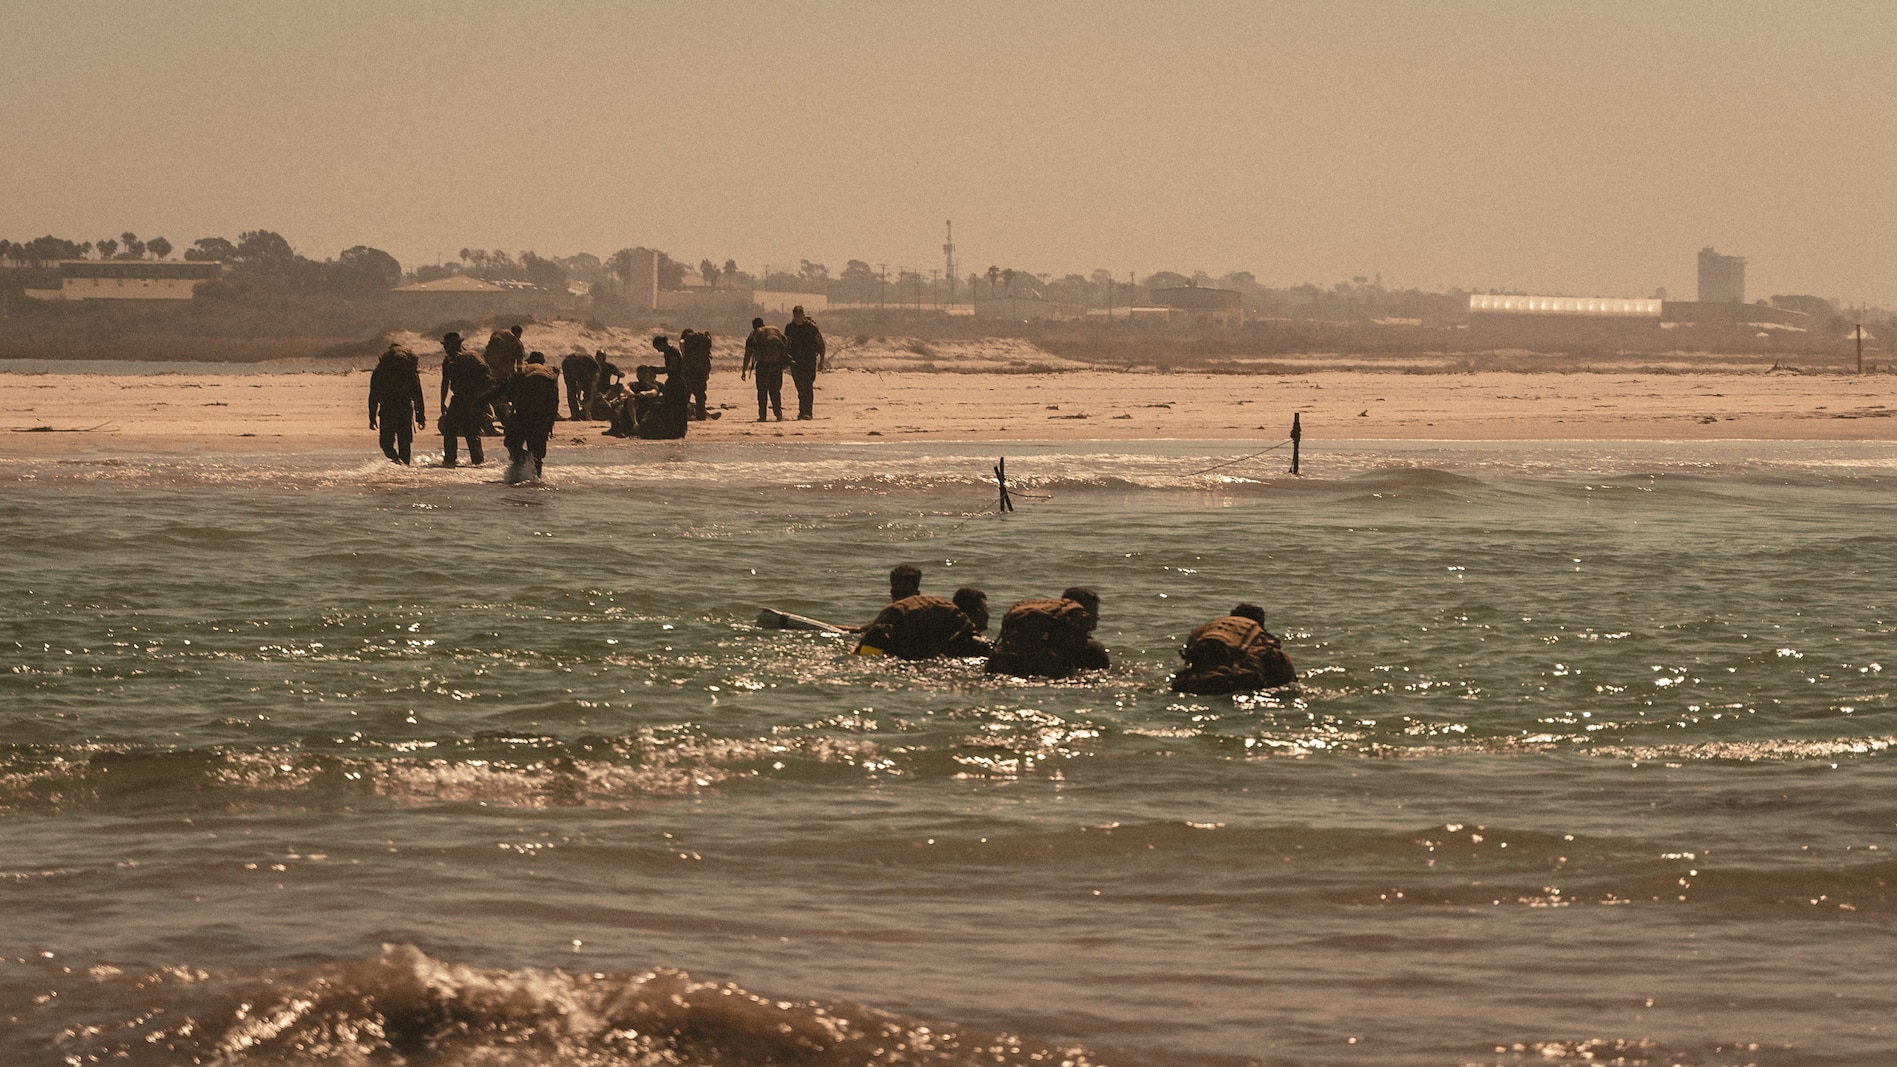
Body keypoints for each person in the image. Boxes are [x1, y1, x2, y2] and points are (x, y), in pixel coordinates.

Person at [1169, 603, 1298, 695]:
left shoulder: (1210, 628)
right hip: (1235, 686)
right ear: (1261, 624)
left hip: (1192, 684)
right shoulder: (1259, 636)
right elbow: (1287, 675)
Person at [984, 586, 1110, 679]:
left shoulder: (1029, 635)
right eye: (1095, 611)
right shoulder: (1091, 647)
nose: (1098, 616)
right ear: (1083, 613)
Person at [854, 586, 991, 660]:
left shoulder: (944, 619)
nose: (988, 615)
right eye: (986, 610)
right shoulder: (962, 631)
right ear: (978, 611)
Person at [483, 351, 561, 478]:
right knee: (537, 455)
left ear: (529, 362)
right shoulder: (551, 374)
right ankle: (535, 480)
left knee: (512, 444)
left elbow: (502, 389)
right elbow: (554, 403)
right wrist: (550, 426)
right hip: (542, 419)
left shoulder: (523, 371)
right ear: (542, 362)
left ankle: (521, 464)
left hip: (523, 416)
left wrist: (482, 401)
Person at [437, 331, 493, 467]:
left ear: (451, 346)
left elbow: (445, 382)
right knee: (472, 432)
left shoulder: (450, 360)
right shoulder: (474, 356)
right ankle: (478, 461)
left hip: (459, 400)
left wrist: (442, 402)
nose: (445, 349)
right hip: (475, 399)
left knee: (450, 430)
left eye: (446, 346)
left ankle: (450, 460)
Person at [367, 342, 426, 465]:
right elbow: (418, 395)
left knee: (385, 443)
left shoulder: (381, 371)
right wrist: (420, 416)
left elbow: (374, 395)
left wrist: (372, 417)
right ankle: (404, 467)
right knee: (404, 442)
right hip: (405, 409)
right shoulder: (410, 372)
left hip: (388, 409)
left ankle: (396, 462)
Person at [632, 336, 690, 439]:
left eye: (658, 347)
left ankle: (681, 430)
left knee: (680, 406)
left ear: (662, 344)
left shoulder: (673, 352)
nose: (659, 350)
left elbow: (673, 368)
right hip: (672, 381)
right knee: (671, 405)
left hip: (677, 382)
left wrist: (658, 370)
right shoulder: (667, 353)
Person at [740, 316, 789, 422]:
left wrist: (744, 370)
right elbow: (786, 345)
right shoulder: (775, 331)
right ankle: (778, 415)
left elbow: (748, 354)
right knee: (775, 391)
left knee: (762, 391)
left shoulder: (755, 334)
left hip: (763, 365)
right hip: (776, 364)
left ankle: (763, 416)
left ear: (754, 326)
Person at [479, 325, 527, 432]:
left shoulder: (494, 346)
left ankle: (490, 424)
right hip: (504, 377)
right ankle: (511, 424)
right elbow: (519, 365)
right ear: (519, 334)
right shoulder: (517, 344)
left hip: (489, 376)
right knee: (503, 402)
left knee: (490, 400)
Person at [784, 305, 825, 420]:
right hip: (795, 362)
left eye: (799, 315)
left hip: (809, 360)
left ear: (803, 315)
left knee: (808, 386)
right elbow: (786, 344)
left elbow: (821, 344)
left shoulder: (811, 327)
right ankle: (802, 411)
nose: (797, 318)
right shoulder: (790, 327)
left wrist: (822, 361)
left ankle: (807, 412)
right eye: (796, 316)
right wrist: (785, 359)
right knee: (800, 387)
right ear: (793, 316)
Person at [680, 328, 714, 420]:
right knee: (700, 396)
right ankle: (701, 415)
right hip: (700, 373)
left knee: (685, 395)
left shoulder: (685, 343)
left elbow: (684, 356)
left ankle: (682, 416)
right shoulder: (702, 345)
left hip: (689, 372)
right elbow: (707, 360)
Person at [561, 352, 599, 419]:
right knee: (585, 391)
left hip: (568, 362)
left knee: (571, 390)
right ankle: (582, 413)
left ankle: (576, 414)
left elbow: (582, 381)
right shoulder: (594, 368)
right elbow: (589, 384)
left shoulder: (591, 365)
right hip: (575, 362)